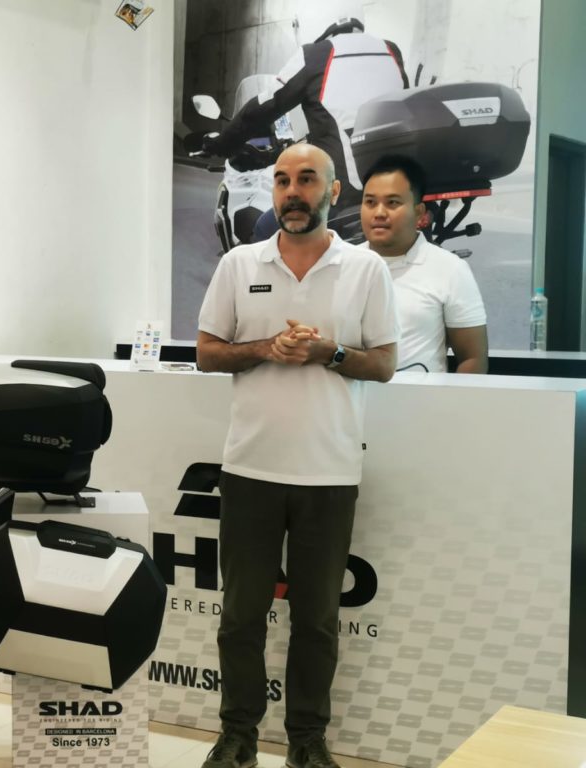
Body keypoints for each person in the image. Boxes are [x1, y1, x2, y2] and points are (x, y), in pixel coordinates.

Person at [195, 143, 397, 768]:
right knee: (240, 616)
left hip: (329, 471)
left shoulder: (365, 269)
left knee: (316, 620)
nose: (292, 192)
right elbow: (207, 352)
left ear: (333, 191)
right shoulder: (239, 263)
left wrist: (326, 353)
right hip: (250, 468)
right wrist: (266, 348)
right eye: (282, 180)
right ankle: (238, 736)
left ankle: (307, 741)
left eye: (307, 180)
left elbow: (383, 364)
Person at [203, 14, 407, 238]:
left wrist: (221, 144)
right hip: (394, 191)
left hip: (342, 200)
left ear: (328, 36)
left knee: (263, 229)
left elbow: (265, 105)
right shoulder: (390, 51)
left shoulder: (315, 55)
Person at [360, 155, 488, 373]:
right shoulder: (343, 264)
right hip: (349, 394)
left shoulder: (450, 269)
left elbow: (472, 358)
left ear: (419, 212)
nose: (379, 213)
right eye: (370, 202)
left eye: (392, 203)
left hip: (422, 395)